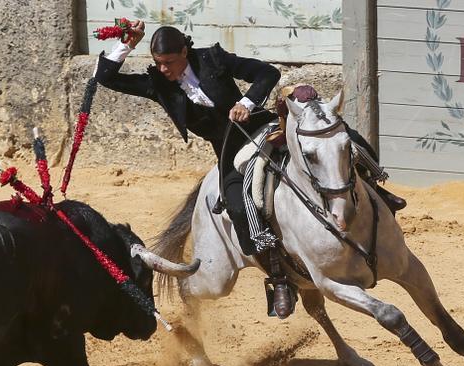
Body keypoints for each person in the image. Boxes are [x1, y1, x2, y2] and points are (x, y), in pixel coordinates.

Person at [93, 22, 404, 318]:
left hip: (263, 128)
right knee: (239, 207)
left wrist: (247, 101)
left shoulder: (213, 59)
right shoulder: (157, 83)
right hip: (230, 150)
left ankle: (379, 192)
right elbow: (106, 77)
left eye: (169, 62)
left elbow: (267, 73)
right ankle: (280, 279)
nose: (164, 69)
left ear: (184, 53)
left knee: (346, 139)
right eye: (159, 63)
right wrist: (126, 44)